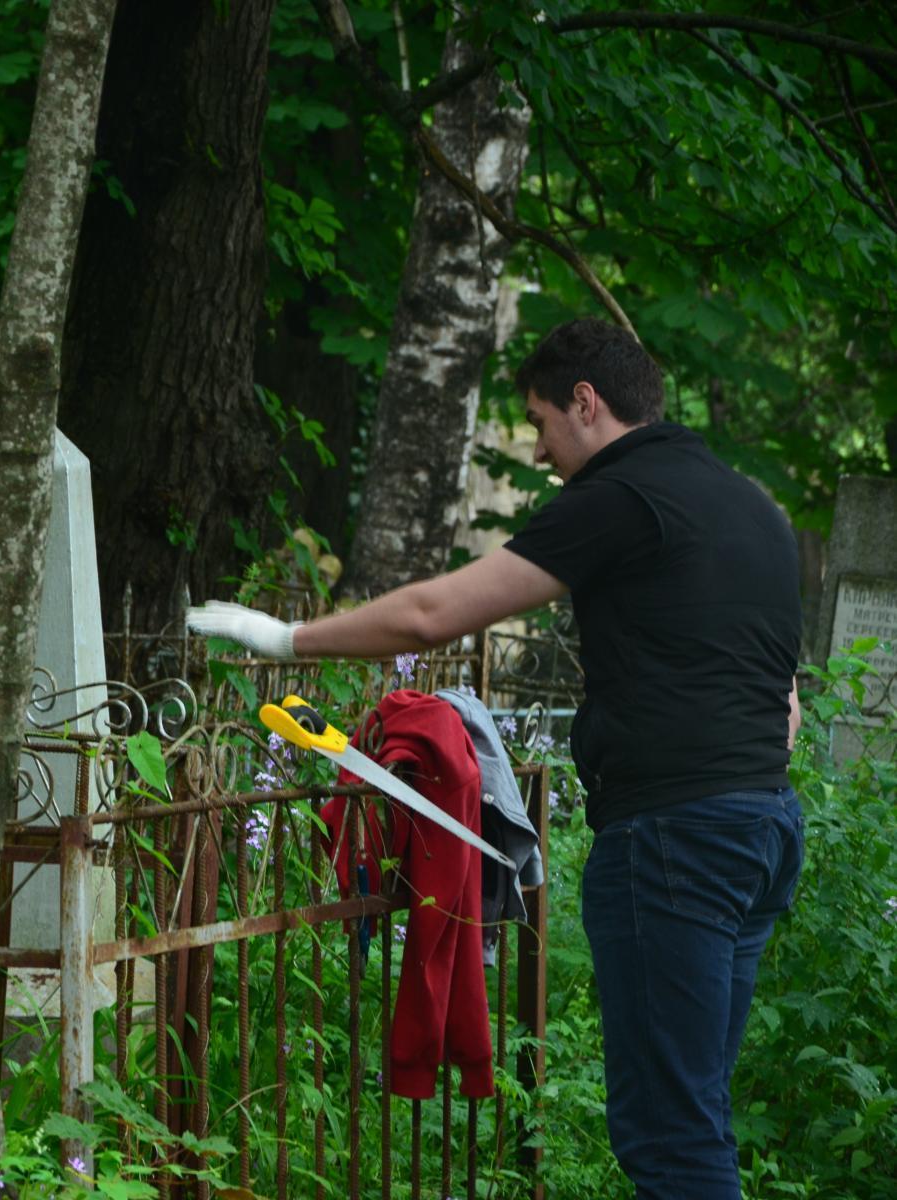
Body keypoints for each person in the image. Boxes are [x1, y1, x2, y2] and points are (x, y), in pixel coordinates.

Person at [187, 318, 804, 1200]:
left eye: (541, 422)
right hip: (763, 830)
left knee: (669, 1138)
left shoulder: (621, 496)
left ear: (585, 403)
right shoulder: (752, 509)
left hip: (676, 843)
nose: (543, 451)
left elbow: (436, 614)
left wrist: (284, 636)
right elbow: (783, 704)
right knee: (695, 1113)